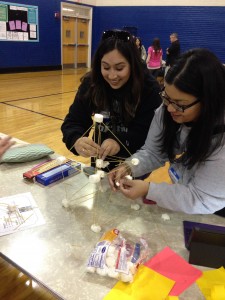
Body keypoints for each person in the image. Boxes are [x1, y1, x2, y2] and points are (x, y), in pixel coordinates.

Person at [108, 48, 225, 216]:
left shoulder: (221, 143)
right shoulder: (169, 109)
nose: (170, 108)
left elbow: (201, 198)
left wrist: (150, 190)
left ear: (208, 101)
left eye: (179, 103)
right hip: (193, 196)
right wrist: (128, 167)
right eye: (166, 98)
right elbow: (153, 151)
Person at [61, 29, 161, 171]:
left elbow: (149, 133)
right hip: (102, 159)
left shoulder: (148, 88)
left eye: (120, 68)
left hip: (137, 161)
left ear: (132, 65)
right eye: (106, 67)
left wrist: (119, 141)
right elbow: (73, 121)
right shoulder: (92, 83)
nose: (112, 76)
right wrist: (76, 139)